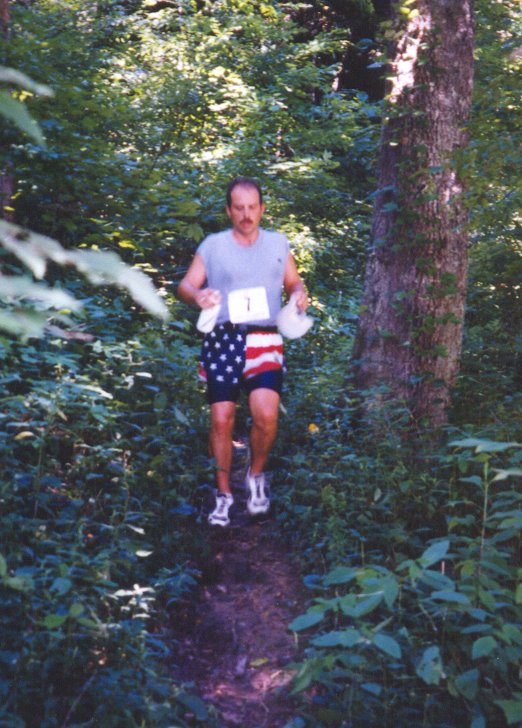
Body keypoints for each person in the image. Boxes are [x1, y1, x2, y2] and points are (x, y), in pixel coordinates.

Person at [177, 177, 309, 526]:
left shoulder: (278, 243)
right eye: (239, 208)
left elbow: (293, 281)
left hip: (265, 338)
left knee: (266, 417)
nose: (247, 215)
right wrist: (197, 295)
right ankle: (223, 494)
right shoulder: (213, 246)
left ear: (262, 209)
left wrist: (299, 293)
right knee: (221, 419)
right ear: (229, 210)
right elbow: (186, 285)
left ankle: (256, 474)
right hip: (223, 339)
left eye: (252, 207)